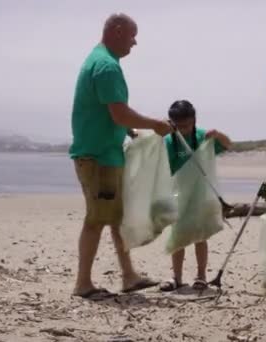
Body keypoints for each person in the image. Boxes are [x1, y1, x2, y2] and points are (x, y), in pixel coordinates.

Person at [69, 13, 173, 300]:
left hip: (106, 154)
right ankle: (82, 284)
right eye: (131, 35)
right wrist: (154, 125)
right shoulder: (105, 66)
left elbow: (111, 113)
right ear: (116, 32)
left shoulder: (101, 60)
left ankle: (129, 275)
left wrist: (130, 132)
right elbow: (119, 111)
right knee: (96, 218)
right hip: (98, 157)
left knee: (115, 217)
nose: (135, 42)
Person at [158, 100, 231, 292]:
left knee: (200, 235)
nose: (183, 130)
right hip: (179, 193)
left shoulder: (201, 137)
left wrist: (218, 134)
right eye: (179, 127)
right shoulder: (169, 141)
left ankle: (201, 276)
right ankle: (177, 277)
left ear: (194, 121)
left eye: (187, 126)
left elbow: (227, 144)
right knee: (178, 235)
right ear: (172, 124)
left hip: (201, 194)